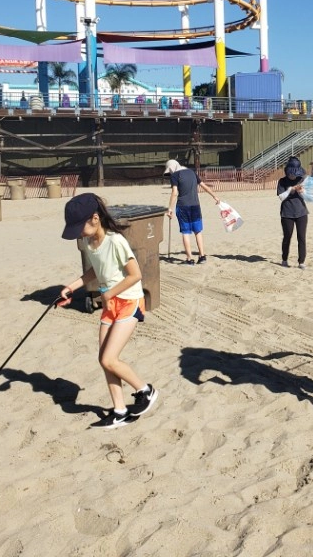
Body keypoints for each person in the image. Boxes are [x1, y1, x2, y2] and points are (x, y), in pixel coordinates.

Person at [58, 193, 159, 429]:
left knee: (109, 358)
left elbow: (136, 275)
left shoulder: (115, 241)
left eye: (79, 227)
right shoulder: (88, 242)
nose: (78, 233)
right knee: (104, 360)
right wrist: (70, 287)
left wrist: (110, 293)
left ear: (95, 219)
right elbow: (95, 270)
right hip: (110, 306)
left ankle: (146, 390)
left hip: (128, 302)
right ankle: (120, 411)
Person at [164, 158, 219, 265]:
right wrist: (215, 197)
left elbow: (174, 193)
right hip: (196, 206)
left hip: (183, 207)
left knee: (185, 232)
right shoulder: (192, 173)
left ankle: (189, 259)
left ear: (171, 168)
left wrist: (169, 208)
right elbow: (204, 186)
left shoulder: (175, 176)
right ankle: (202, 256)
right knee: (198, 231)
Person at [277, 156, 309, 268]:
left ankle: (301, 262)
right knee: (287, 237)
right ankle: (284, 259)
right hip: (287, 214)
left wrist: (302, 191)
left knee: (301, 237)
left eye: (295, 174)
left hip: (301, 212)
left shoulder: (301, 179)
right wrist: (290, 189)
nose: (293, 176)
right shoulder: (282, 181)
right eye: (291, 174)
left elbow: (307, 196)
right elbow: (281, 197)